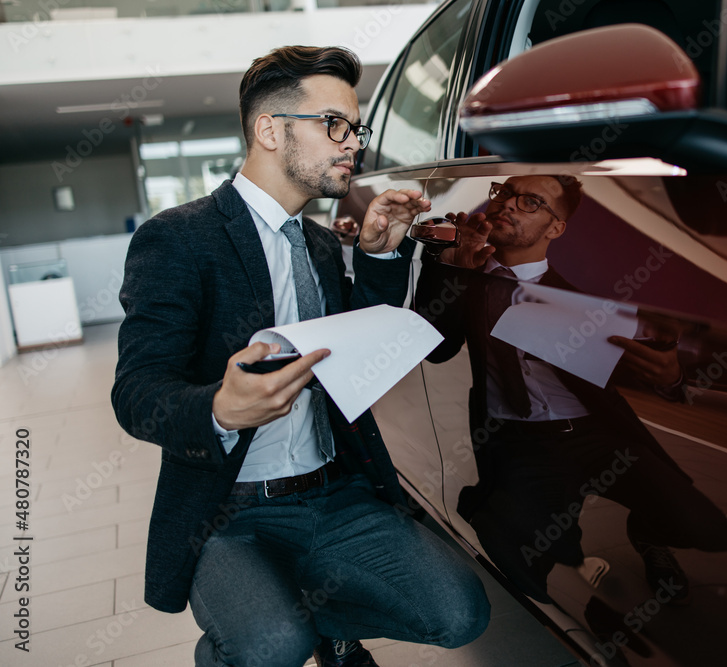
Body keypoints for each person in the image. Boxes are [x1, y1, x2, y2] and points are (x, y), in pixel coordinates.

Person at [112, 46, 489, 667]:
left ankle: (319, 622)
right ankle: (268, 630)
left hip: (332, 492)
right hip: (229, 512)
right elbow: (136, 392)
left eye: (356, 127)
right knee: (268, 645)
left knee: (459, 613)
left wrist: (378, 254)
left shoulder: (316, 243)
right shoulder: (178, 239)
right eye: (334, 125)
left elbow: (355, 350)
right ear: (269, 130)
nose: (353, 144)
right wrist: (220, 408)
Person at [415, 175, 727, 610]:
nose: (508, 205)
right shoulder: (466, 271)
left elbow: (654, 370)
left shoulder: (587, 296)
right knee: (519, 550)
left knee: (708, 528)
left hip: (597, 433)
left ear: (555, 228)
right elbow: (436, 349)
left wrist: (671, 376)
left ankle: (645, 533)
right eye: (504, 193)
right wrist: (449, 265)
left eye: (530, 202)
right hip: (520, 440)